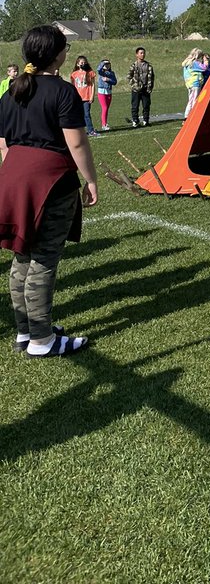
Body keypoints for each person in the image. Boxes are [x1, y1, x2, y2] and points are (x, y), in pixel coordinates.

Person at [0, 24, 98, 356]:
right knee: (43, 259)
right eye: (65, 48)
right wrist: (91, 180)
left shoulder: (12, 91)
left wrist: (17, 175)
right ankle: (41, 340)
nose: (67, 52)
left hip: (14, 177)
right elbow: (76, 143)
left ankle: (26, 331)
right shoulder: (62, 90)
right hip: (50, 180)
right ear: (55, 54)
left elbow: (3, 145)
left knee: (22, 256)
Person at [70, 54, 99, 137]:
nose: (83, 64)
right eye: (81, 62)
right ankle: (80, 131)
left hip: (86, 97)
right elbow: (73, 86)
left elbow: (93, 85)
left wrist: (92, 95)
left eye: (84, 62)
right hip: (78, 98)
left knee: (86, 114)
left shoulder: (90, 73)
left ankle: (90, 130)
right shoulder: (74, 74)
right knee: (79, 115)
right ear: (77, 64)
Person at [127, 46, 154, 127]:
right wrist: (134, 85)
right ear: (137, 54)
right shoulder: (133, 66)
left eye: (143, 53)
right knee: (135, 106)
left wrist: (150, 87)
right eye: (141, 53)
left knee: (146, 105)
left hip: (146, 89)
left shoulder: (149, 65)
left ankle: (146, 120)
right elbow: (129, 76)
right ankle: (135, 121)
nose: (143, 54)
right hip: (136, 90)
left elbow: (152, 77)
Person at [182, 48, 204, 118]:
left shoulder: (187, 63)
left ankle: (188, 115)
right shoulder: (195, 63)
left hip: (189, 84)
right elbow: (204, 68)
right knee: (195, 99)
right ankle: (192, 115)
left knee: (191, 99)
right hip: (195, 83)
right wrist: (205, 62)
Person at [96, 58, 117, 131]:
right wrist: (103, 63)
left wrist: (108, 80)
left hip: (109, 92)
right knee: (104, 108)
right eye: (105, 64)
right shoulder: (102, 72)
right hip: (101, 92)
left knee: (106, 109)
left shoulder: (112, 73)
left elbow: (114, 82)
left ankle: (105, 123)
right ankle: (104, 125)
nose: (107, 66)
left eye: (108, 64)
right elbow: (98, 70)